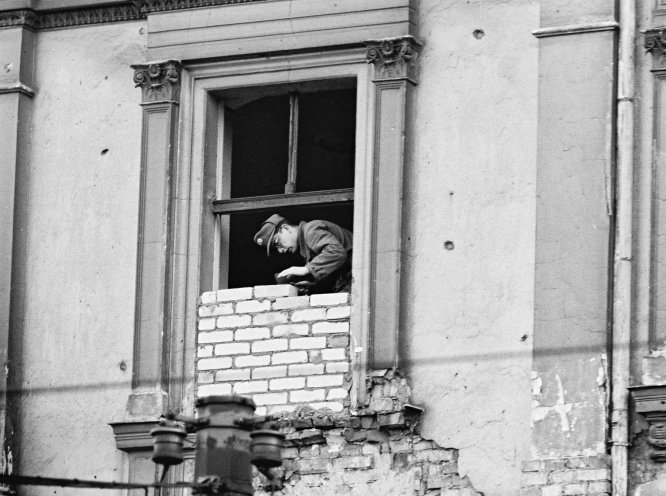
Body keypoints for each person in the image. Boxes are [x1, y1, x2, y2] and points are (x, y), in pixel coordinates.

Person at [253, 214, 352, 294]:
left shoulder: (310, 230)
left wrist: (306, 269)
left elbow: (337, 252)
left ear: (285, 228)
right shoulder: (306, 247)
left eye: (278, 243)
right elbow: (335, 269)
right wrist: (312, 286)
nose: (281, 251)